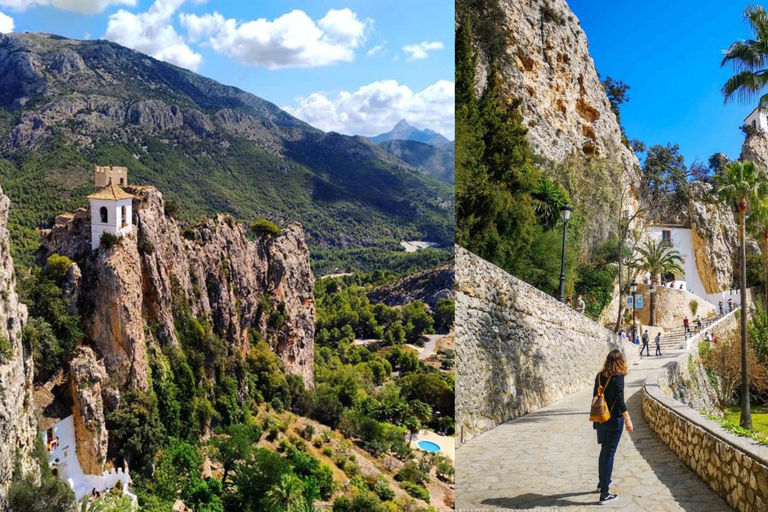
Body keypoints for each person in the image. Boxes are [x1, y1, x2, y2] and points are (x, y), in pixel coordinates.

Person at [593, 349, 633, 505]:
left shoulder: (599, 376)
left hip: (601, 418)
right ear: (620, 361)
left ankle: (602, 483)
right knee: (609, 453)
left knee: (604, 450)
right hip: (614, 419)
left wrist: (596, 421)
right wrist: (628, 419)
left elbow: (595, 398)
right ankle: (604, 493)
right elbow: (620, 399)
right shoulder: (618, 377)